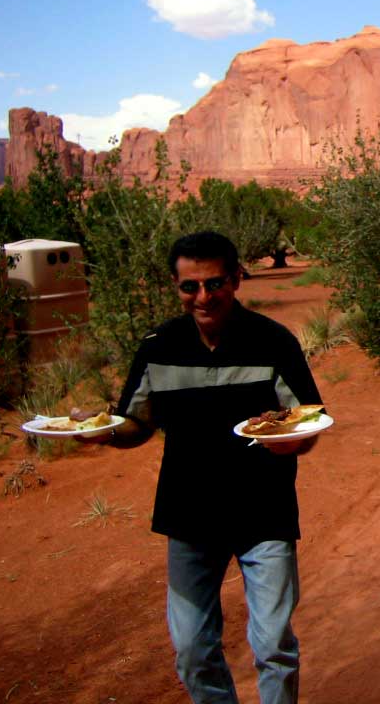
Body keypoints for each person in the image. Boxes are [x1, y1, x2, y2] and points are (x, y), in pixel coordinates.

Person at [105, 231, 324, 704]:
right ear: (176, 286)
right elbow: (135, 423)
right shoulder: (157, 346)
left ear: (236, 279)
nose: (203, 297)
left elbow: (308, 419)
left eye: (215, 283)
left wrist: (295, 445)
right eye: (190, 286)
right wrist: (100, 431)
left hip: (263, 512)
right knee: (191, 650)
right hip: (188, 515)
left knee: (273, 646)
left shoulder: (273, 342)